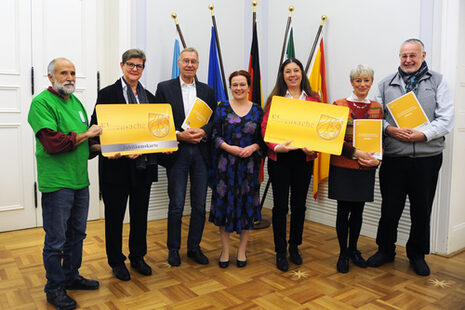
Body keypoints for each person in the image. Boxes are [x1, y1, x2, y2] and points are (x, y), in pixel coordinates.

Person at [367, 39, 454, 276]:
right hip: (394, 158)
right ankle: (385, 250)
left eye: (413, 55)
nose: (408, 60)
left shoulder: (438, 81)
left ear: (423, 55)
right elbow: (374, 117)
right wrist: (389, 130)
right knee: (390, 207)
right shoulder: (386, 84)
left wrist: (422, 134)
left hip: (427, 158)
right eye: (404, 55)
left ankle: (417, 254)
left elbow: (446, 119)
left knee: (421, 208)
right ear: (399, 56)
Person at [28, 58, 101, 310]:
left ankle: (71, 276)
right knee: (56, 240)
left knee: (77, 234)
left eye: (73, 73)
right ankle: (54, 288)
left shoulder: (78, 103)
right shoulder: (41, 103)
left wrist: (106, 147)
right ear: (51, 77)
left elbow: (84, 146)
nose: (70, 77)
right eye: (63, 73)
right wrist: (87, 134)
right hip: (57, 184)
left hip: (80, 180)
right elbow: (53, 143)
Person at [90, 49, 158, 281]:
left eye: (139, 66)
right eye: (131, 64)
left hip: (143, 167)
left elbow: (154, 130)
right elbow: (95, 129)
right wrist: (114, 149)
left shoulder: (150, 96)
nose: (135, 69)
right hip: (116, 168)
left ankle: (138, 257)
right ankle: (116, 261)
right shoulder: (107, 94)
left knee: (140, 215)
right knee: (115, 216)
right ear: (122, 65)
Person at [154, 47, 217, 266]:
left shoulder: (208, 90)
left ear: (198, 65)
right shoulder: (164, 88)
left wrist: (205, 132)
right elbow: (158, 121)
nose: (190, 65)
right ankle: (174, 249)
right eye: (186, 61)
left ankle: (194, 247)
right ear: (179, 63)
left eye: (194, 61)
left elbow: (214, 120)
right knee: (177, 204)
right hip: (178, 152)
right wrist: (179, 136)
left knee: (199, 204)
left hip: (201, 151)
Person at [261, 58, 320, 272]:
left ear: (302, 74)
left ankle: (294, 246)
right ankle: (280, 251)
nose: (293, 74)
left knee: (299, 206)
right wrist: (277, 147)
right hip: (280, 160)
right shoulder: (275, 99)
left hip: (303, 161)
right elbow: (265, 129)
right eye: (288, 71)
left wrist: (314, 148)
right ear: (282, 75)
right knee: (280, 207)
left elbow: (319, 131)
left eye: (296, 70)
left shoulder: (314, 99)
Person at [328, 65, 383, 273]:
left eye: (366, 80)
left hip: (366, 167)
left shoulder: (377, 107)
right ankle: (343, 253)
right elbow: (333, 138)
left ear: (371, 82)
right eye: (358, 80)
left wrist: (377, 160)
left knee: (358, 212)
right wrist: (356, 153)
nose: (362, 84)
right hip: (343, 165)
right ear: (352, 82)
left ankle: (353, 250)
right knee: (343, 212)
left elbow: (380, 139)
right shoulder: (339, 105)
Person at [208, 70, 264, 268]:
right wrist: (228, 147)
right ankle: (225, 251)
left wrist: (253, 147)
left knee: (247, 209)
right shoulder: (222, 108)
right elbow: (213, 136)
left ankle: (241, 251)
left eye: (242, 84)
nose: (238, 88)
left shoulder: (258, 110)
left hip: (248, 168)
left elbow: (263, 140)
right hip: (225, 168)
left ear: (249, 87)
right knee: (225, 209)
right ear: (230, 87)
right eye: (235, 84)